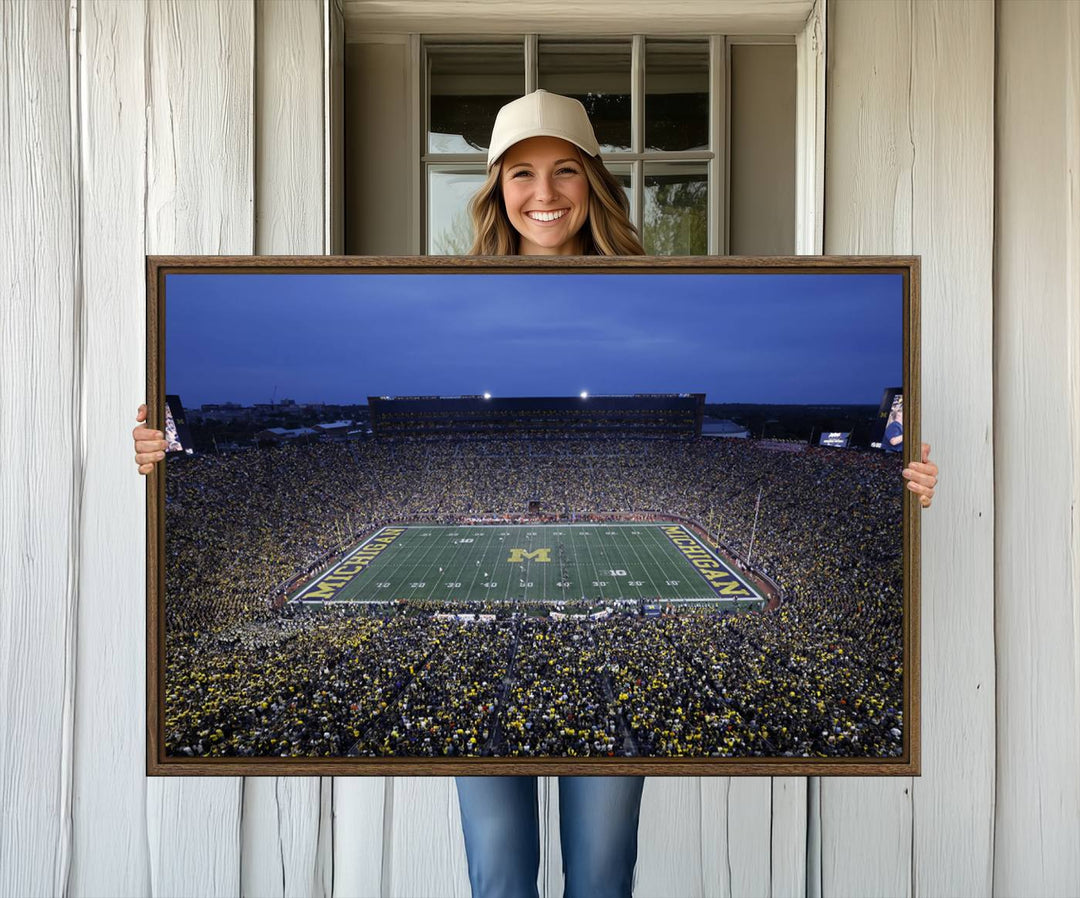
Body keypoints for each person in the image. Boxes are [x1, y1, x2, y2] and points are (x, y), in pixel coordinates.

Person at [131, 90, 940, 897]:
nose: (544, 193)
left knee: (600, 873)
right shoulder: (448, 293)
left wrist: (901, 478)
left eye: (564, 171)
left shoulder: (657, 287)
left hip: (599, 633)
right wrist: (159, 451)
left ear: (594, 180)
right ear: (494, 188)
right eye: (521, 173)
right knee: (500, 872)